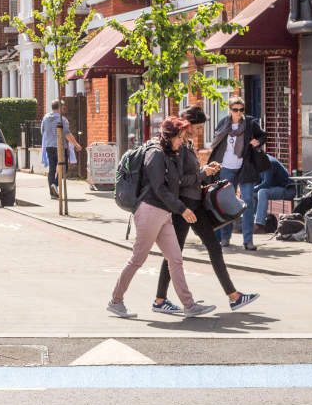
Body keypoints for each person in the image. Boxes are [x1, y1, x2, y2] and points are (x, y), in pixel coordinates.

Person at [108, 114, 219, 319]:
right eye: (180, 137)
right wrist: (182, 209)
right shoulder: (156, 155)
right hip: (150, 211)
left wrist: (202, 174)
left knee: (175, 259)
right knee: (137, 259)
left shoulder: (171, 154)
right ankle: (116, 301)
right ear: (169, 136)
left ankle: (189, 305)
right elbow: (160, 188)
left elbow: (178, 182)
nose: (183, 141)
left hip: (164, 212)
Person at [153, 107, 260, 315]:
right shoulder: (179, 146)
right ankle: (159, 299)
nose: (200, 131)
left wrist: (204, 171)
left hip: (195, 203)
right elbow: (179, 180)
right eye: (199, 127)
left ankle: (234, 296)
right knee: (174, 254)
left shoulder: (187, 144)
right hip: (185, 207)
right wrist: (203, 173)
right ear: (188, 123)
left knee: (212, 246)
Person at [208, 96, 267, 250]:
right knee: (227, 203)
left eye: (241, 110)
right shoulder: (223, 124)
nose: (238, 113)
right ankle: (225, 238)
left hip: (245, 167)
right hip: (226, 168)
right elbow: (216, 142)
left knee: (247, 202)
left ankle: (248, 240)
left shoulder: (250, 123)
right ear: (230, 110)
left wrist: (258, 141)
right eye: (235, 110)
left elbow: (263, 135)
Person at [41, 100, 82, 199]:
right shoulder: (62, 119)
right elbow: (67, 134)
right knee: (63, 168)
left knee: (52, 168)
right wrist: (76, 144)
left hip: (49, 146)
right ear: (59, 107)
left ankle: (52, 192)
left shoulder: (45, 118)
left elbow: (42, 132)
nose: (64, 110)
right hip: (60, 147)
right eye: (63, 108)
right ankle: (55, 184)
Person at [253, 154, 295, 232]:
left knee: (262, 192)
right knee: (251, 194)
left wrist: (252, 189)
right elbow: (256, 182)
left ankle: (259, 224)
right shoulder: (257, 164)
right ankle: (253, 220)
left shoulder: (269, 162)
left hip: (287, 189)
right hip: (275, 188)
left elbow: (267, 183)